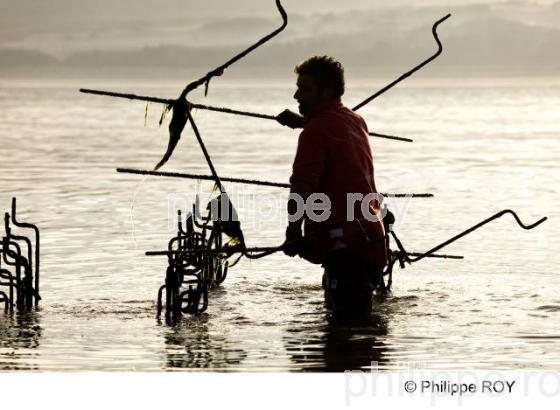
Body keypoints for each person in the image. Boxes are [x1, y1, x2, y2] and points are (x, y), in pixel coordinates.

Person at [276, 56, 388, 315]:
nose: (296, 95)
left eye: (305, 89)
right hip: (370, 240)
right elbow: (331, 128)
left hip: (344, 246)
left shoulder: (314, 133)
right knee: (360, 337)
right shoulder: (356, 121)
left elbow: (302, 188)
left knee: (344, 336)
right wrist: (304, 122)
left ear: (326, 92)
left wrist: (293, 232)